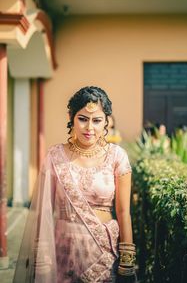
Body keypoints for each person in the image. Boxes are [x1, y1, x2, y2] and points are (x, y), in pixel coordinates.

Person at [13, 86, 137, 283]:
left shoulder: (117, 157)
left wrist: (127, 259)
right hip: (63, 250)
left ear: (107, 121)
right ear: (71, 117)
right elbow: (44, 211)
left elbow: (124, 212)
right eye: (83, 119)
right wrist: (41, 255)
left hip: (103, 250)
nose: (89, 128)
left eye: (97, 120)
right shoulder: (55, 156)